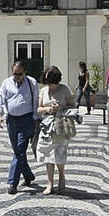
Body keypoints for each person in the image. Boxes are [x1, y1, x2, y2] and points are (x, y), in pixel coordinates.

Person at [0, 61, 39, 195]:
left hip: (27, 120)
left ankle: (12, 183)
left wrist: (37, 119)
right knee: (17, 150)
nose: (17, 77)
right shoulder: (6, 83)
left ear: (24, 72)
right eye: (15, 74)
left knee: (19, 150)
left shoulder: (32, 82)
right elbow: (0, 99)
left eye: (19, 74)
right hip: (11, 121)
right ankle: (28, 175)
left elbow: (36, 100)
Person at [36, 66, 78, 194]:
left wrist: (60, 108)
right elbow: (38, 109)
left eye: (53, 82)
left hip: (61, 126)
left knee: (59, 153)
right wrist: (48, 109)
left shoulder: (65, 89)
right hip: (47, 127)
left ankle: (61, 176)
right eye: (49, 82)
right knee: (47, 154)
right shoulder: (43, 91)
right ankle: (49, 183)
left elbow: (73, 106)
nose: (51, 86)